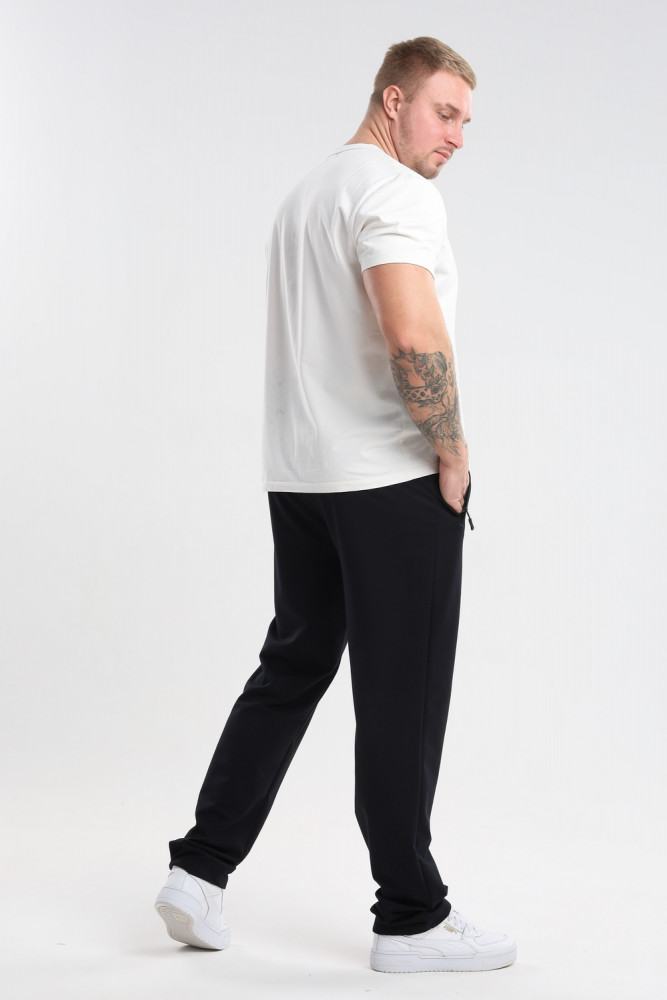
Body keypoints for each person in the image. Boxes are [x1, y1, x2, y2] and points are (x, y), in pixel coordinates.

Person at [155, 36, 516, 974]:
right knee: (402, 693)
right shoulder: (396, 193)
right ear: (393, 101)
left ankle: (198, 870)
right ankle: (410, 916)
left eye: (466, 120)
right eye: (444, 112)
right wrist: (453, 451)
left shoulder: (308, 194)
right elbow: (409, 331)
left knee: (292, 666)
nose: (457, 136)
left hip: (302, 476)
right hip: (389, 478)